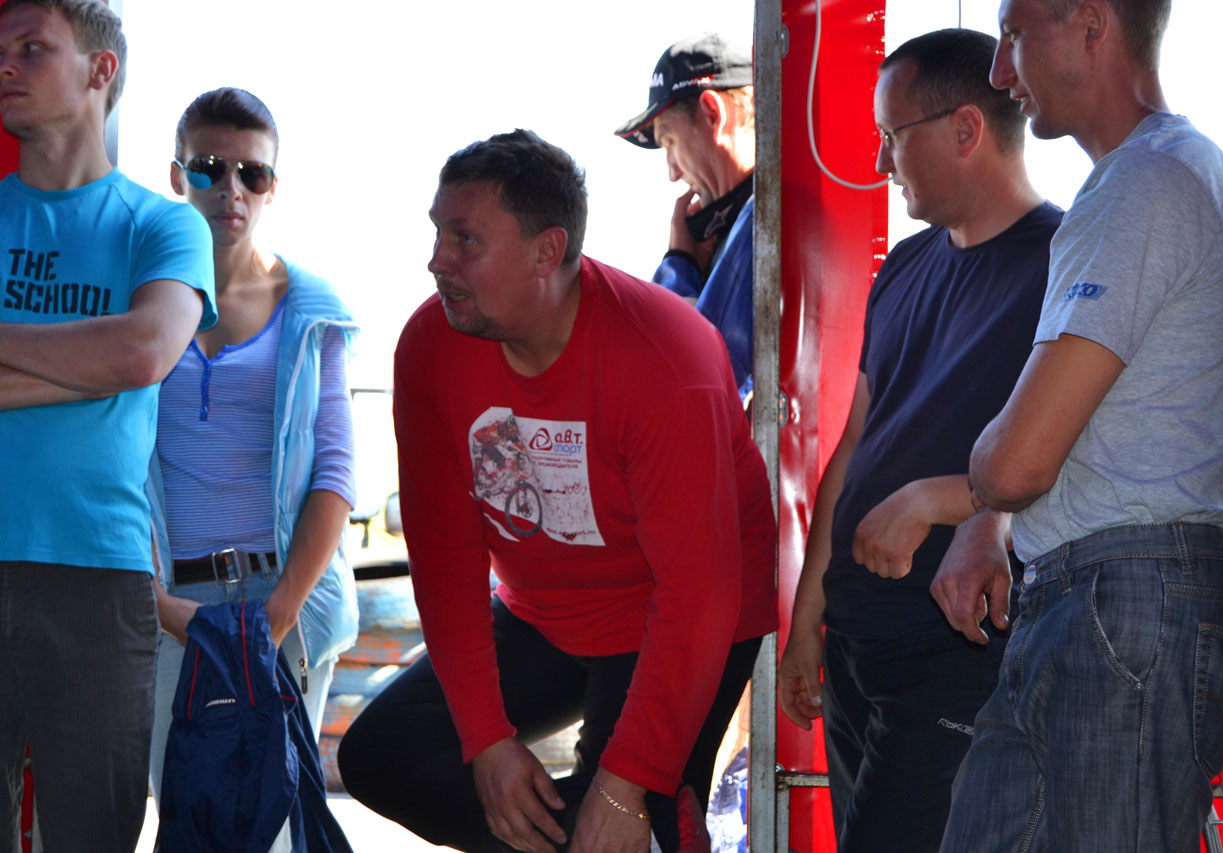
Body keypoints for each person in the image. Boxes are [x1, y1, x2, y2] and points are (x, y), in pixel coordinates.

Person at [337, 129, 777, 853]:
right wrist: (487, 742)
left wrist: (625, 784)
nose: (437, 260)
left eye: (465, 240)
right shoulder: (430, 347)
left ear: (547, 251)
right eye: (438, 234)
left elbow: (698, 594)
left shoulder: (664, 356)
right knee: (381, 757)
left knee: (627, 807)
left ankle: (652, 822)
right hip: (545, 614)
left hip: (679, 615)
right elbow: (446, 559)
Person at [932, 1, 1223, 850]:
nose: (1000, 73)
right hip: (1106, 600)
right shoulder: (1155, 179)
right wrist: (992, 511)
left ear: (1089, 24)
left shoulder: (1146, 182)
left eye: (1013, 35)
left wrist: (975, 484)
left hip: (1124, 602)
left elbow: (1016, 462)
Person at [776, 28, 1061, 852]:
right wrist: (808, 612)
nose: (880, 161)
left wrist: (961, 507)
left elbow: (1078, 449)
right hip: (854, 640)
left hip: (955, 644)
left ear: (966, 129)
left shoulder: (1067, 260)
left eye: (891, 136)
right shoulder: (902, 265)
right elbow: (855, 444)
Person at [0, 1, 216, 850]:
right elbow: (118, 356)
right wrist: (80, 366)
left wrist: (108, 359)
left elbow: (143, 350)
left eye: (31, 48)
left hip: (98, 579)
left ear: (101, 71)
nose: (6, 65)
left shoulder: (164, 223)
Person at [147, 87, 358, 845]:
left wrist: (277, 615)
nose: (230, 188)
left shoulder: (312, 308)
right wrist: (158, 604)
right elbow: (112, 463)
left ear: (273, 185)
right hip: (172, 607)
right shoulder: (143, 300)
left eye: (252, 173)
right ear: (178, 176)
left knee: (273, 827)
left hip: (285, 603)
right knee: (187, 817)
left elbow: (335, 472)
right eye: (209, 168)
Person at [615, 33, 756, 401]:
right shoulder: (744, 222)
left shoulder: (761, 219)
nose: (672, 172)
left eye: (669, 142)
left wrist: (678, 265)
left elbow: (678, 383)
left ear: (712, 114)